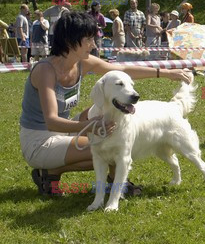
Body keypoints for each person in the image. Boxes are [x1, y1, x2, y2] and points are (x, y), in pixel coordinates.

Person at [19, 11, 193, 196]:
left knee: (107, 119)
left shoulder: (81, 62)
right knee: (108, 146)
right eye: (89, 39)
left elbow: (123, 70)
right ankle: (104, 181)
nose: (94, 44)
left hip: (63, 131)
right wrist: (92, 126)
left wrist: (166, 73)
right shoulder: (45, 71)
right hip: (39, 141)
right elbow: (52, 121)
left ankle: (54, 173)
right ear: (70, 41)